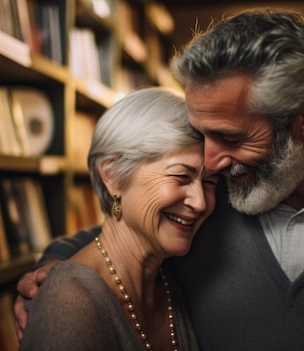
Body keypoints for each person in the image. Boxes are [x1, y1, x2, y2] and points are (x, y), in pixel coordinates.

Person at [15, 8, 304, 350]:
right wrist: (57, 276)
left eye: (229, 136)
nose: (210, 162)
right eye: (201, 134)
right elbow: (126, 229)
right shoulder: (210, 198)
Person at [18, 87, 219, 351]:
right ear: (112, 175)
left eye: (209, 182)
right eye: (181, 176)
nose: (200, 201)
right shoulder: (69, 298)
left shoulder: (172, 277)